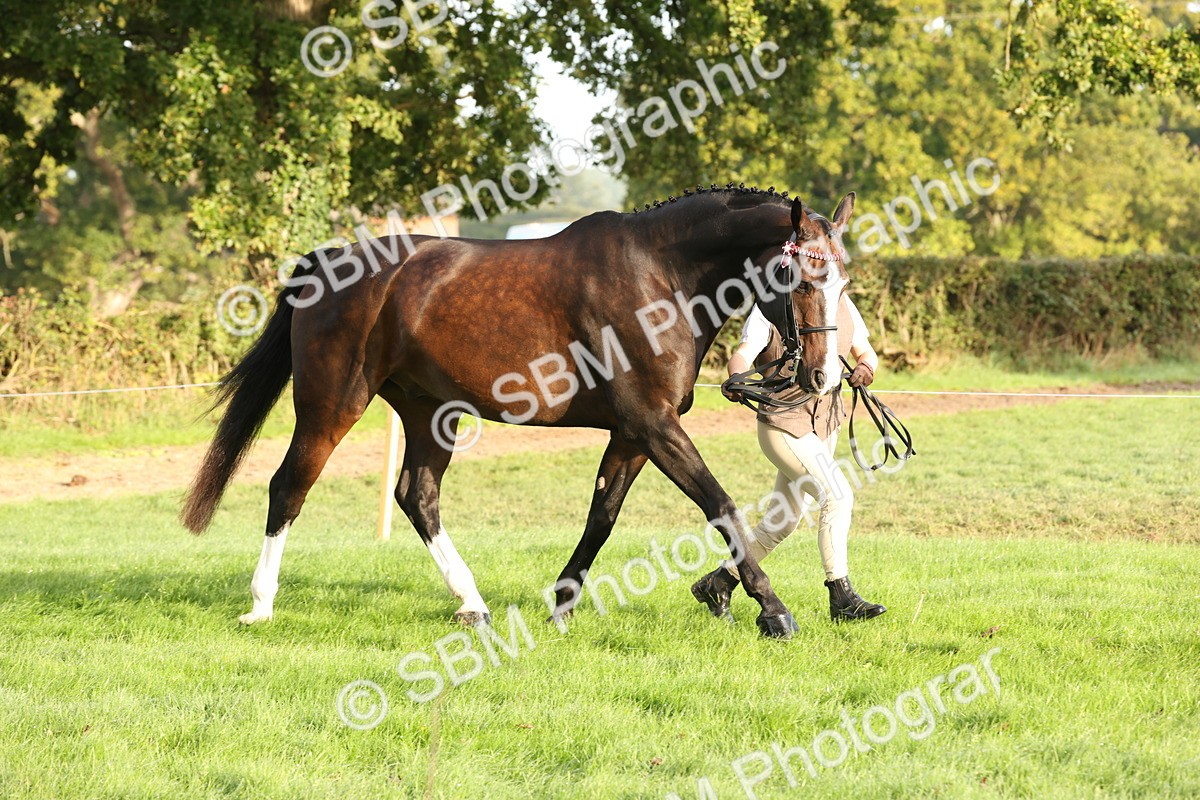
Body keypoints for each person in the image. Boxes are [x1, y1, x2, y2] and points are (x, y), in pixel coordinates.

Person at [690, 290, 887, 623]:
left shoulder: (842, 303)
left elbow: (866, 351)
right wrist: (736, 376)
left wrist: (866, 367)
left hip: (826, 423)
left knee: (780, 524)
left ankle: (719, 582)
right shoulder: (770, 306)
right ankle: (841, 596)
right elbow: (742, 354)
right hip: (783, 423)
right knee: (837, 497)